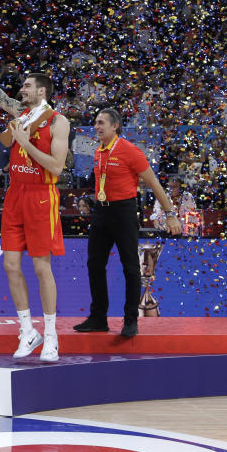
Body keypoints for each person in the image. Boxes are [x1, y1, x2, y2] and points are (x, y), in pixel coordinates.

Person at [0, 50, 69, 362]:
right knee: (11, 265)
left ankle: (52, 337)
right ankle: (28, 331)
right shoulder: (20, 114)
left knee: (41, 267)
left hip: (42, 196)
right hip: (15, 194)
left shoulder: (59, 122)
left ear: (41, 91)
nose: (23, 89)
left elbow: (56, 168)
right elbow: (4, 142)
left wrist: (26, 141)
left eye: (28, 86)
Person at [74, 108, 181, 337]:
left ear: (115, 126)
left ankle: (131, 319)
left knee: (131, 267)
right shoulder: (99, 151)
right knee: (94, 265)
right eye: (95, 122)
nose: (97, 126)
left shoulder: (130, 151)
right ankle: (98, 318)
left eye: (101, 122)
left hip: (124, 213)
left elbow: (154, 183)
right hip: (101, 212)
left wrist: (170, 214)